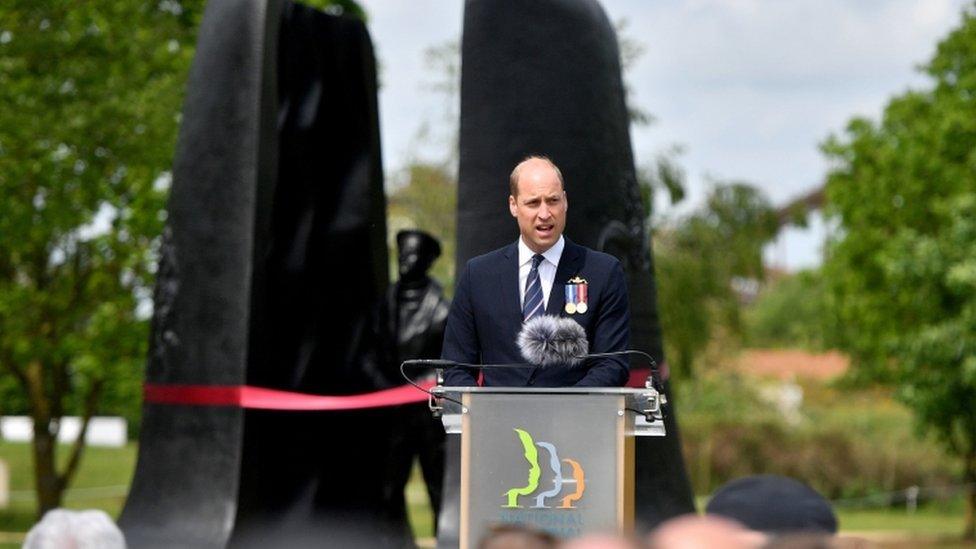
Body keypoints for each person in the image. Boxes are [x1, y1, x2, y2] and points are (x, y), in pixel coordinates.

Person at [442, 155, 629, 387]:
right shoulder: (478, 275)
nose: (544, 213)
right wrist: (482, 414)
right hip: (498, 420)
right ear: (513, 205)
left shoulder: (602, 272)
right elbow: (455, 366)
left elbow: (612, 364)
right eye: (533, 203)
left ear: (565, 201)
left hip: (572, 419)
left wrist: (560, 409)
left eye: (552, 201)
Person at [377, 230, 451, 535]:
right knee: (390, 487)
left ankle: (443, 539)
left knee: (436, 485)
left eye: (413, 255)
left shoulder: (444, 311)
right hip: (390, 417)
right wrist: (382, 385)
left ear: (428, 261)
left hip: (427, 417)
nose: (406, 261)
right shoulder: (382, 308)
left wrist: (425, 385)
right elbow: (369, 353)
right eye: (402, 254)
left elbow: (452, 362)